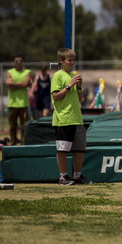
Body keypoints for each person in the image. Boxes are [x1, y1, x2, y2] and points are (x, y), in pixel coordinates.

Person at [51, 48, 91, 185]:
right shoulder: (58, 75)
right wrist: (69, 86)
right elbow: (55, 97)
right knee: (62, 149)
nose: (72, 62)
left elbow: (79, 98)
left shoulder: (72, 76)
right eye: (69, 60)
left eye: (73, 60)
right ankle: (63, 177)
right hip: (64, 118)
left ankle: (77, 176)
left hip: (77, 118)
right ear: (61, 61)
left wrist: (79, 86)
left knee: (80, 149)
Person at [6, 54, 34, 145]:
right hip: (12, 104)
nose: (19, 62)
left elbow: (25, 84)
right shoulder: (9, 72)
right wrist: (22, 84)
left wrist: (14, 84)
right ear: (13, 62)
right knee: (12, 126)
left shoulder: (27, 72)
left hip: (24, 103)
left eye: (21, 61)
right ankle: (13, 143)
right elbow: (9, 85)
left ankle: (23, 143)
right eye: (17, 61)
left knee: (24, 126)